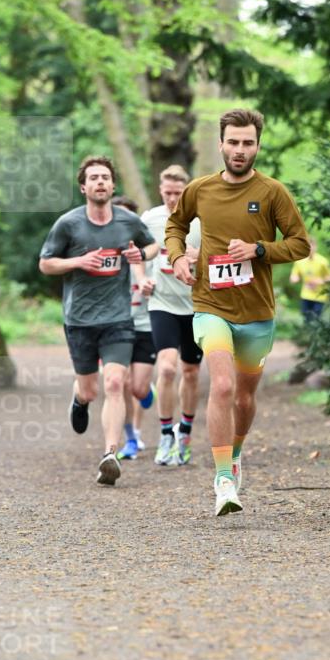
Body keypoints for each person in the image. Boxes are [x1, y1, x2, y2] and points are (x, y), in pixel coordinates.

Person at [165, 109, 310, 516]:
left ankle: (236, 454)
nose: (240, 150)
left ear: (258, 145)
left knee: (245, 397)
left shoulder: (273, 192)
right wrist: (178, 257)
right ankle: (223, 480)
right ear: (221, 144)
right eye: (233, 142)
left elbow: (299, 244)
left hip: (257, 312)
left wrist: (259, 249)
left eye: (248, 143)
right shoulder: (200, 189)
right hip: (211, 305)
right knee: (223, 386)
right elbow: (175, 228)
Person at [39, 156, 158, 486]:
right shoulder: (68, 224)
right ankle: (78, 398)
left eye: (105, 177)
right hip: (79, 319)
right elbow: (46, 264)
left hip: (118, 318)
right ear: (83, 187)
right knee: (91, 389)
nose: (100, 182)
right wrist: (79, 261)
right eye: (94, 178)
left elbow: (152, 247)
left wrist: (140, 256)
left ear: (113, 184)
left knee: (116, 383)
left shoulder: (128, 221)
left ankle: (110, 455)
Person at [142, 165, 202, 467]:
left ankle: (185, 434)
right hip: (162, 303)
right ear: (160, 190)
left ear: (187, 191)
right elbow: (137, 254)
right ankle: (166, 433)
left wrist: (198, 257)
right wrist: (142, 279)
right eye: (167, 193)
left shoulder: (202, 220)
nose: (172, 199)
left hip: (196, 306)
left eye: (178, 194)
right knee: (166, 368)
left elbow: (219, 259)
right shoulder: (150, 219)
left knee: (190, 372)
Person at [111, 196, 157, 461]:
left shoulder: (147, 252)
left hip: (145, 323)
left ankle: (147, 390)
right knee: (120, 382)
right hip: (115, 324)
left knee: (138, 388)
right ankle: (129, 437)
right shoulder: (104, 249)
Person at [290, 238, 330, 323]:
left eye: (311, 247)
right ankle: (306, 335)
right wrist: (294, 279)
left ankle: (314, 335)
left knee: (316, 320)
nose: (309, 249)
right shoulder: (299, 261)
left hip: (319, 296)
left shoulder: (323, 261)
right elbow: (294, 276)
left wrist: (321, 281)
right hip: (305, 295)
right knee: (306, 319)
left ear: (315, 247)